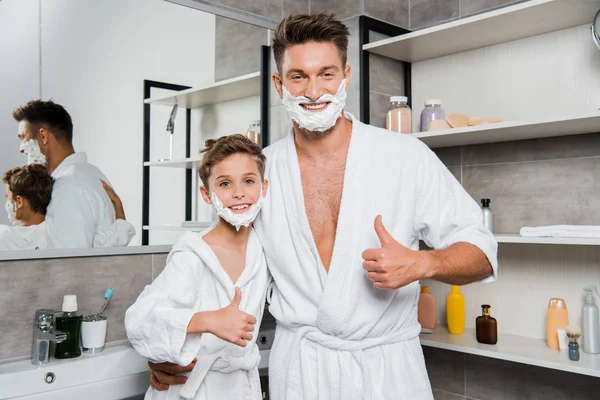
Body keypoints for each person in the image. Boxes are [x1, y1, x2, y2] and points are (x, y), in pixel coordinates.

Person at [149, 13, 498, 400]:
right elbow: (215, 269)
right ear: (280, 84)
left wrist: (423, 264)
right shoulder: (260, 176)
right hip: (301, 371)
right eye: (298, 76)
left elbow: (482, 252)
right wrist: (171, 343)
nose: (313, 91)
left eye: (326, 74)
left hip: (388, 370)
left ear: (346, 77)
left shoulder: (404, 156)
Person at [125, 134, 270, 399]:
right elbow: (140, 320)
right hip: (191, 387)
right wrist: (208, 320)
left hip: (239, 387)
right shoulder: (192, 255)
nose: (239, 192)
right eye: (225, 183)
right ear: (207, 194)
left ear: (264, 187)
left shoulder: (263, 250)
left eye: (249, 181)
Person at [13, 99, 134, 248]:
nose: (21, 148)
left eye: (23, 137)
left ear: (43, 137)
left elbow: (68, 266)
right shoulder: (92, 173)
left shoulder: (68, 187)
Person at [1, 164, 133, 250]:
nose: (7, 202)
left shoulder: (5, 237)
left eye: (7, 196)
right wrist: (117, 205)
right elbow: (115, 239)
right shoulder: (63, 234)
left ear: (19, 202)